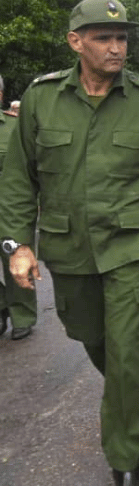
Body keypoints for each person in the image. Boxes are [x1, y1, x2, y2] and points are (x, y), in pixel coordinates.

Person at [0, 0, 139, 485]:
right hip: (68, 246)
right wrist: (18, 245)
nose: (116, 48)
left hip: (131, 244)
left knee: (127, 347)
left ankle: (125, 455)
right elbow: (19, 179)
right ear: (76, 42)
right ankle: (132, 380)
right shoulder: (42, 99)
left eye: (122, 39)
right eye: (103, 38)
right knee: (88, 334)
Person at [0, 74, 38, 341]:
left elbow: (27, 170)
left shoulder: (13, 127)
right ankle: (3, 305)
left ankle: (22, 316)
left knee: (15, 258)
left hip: (8, 208)